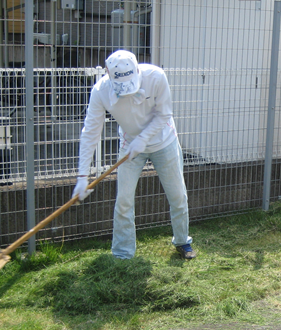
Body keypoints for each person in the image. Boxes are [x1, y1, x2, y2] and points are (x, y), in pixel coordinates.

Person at [72, 50, 195, 259]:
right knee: (124, 201)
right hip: (130, 147)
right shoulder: (100, 91)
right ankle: (122, 253)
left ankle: (182, 241)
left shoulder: (156, 77)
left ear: (137, 70)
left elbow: (164, 114)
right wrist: (82, 176)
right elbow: (90, 132)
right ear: (110, 77)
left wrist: (143, 138)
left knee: (177, 195)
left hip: (164, 141)